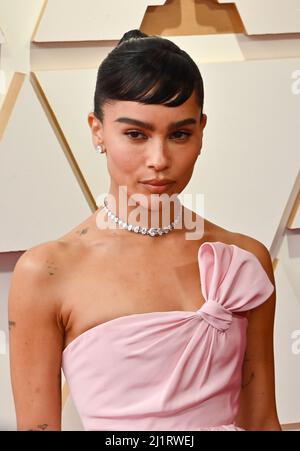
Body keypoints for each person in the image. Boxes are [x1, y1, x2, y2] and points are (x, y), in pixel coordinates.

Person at [8, 29, 281, 431]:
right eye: (136, 134)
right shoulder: (45, 272)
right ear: (97, 129)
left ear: (202, 132)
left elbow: (262, 421)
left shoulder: (243, 260)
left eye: (179, 134)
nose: (159, 159)